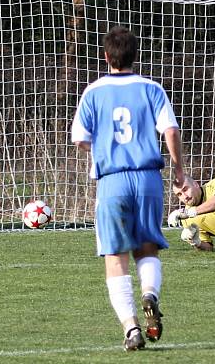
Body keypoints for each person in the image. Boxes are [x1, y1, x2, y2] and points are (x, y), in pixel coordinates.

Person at [71, 26, 185, 351]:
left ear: (106, 56)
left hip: (113, 181)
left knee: (115, 257)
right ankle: (150, 293)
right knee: (147, 248)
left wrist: (103, 143)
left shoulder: (93, 92)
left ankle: (132, 328)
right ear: (136, 55)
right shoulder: (152, 88)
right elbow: (171, 131)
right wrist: (179, 171)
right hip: (148, 178)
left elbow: (80, 138)